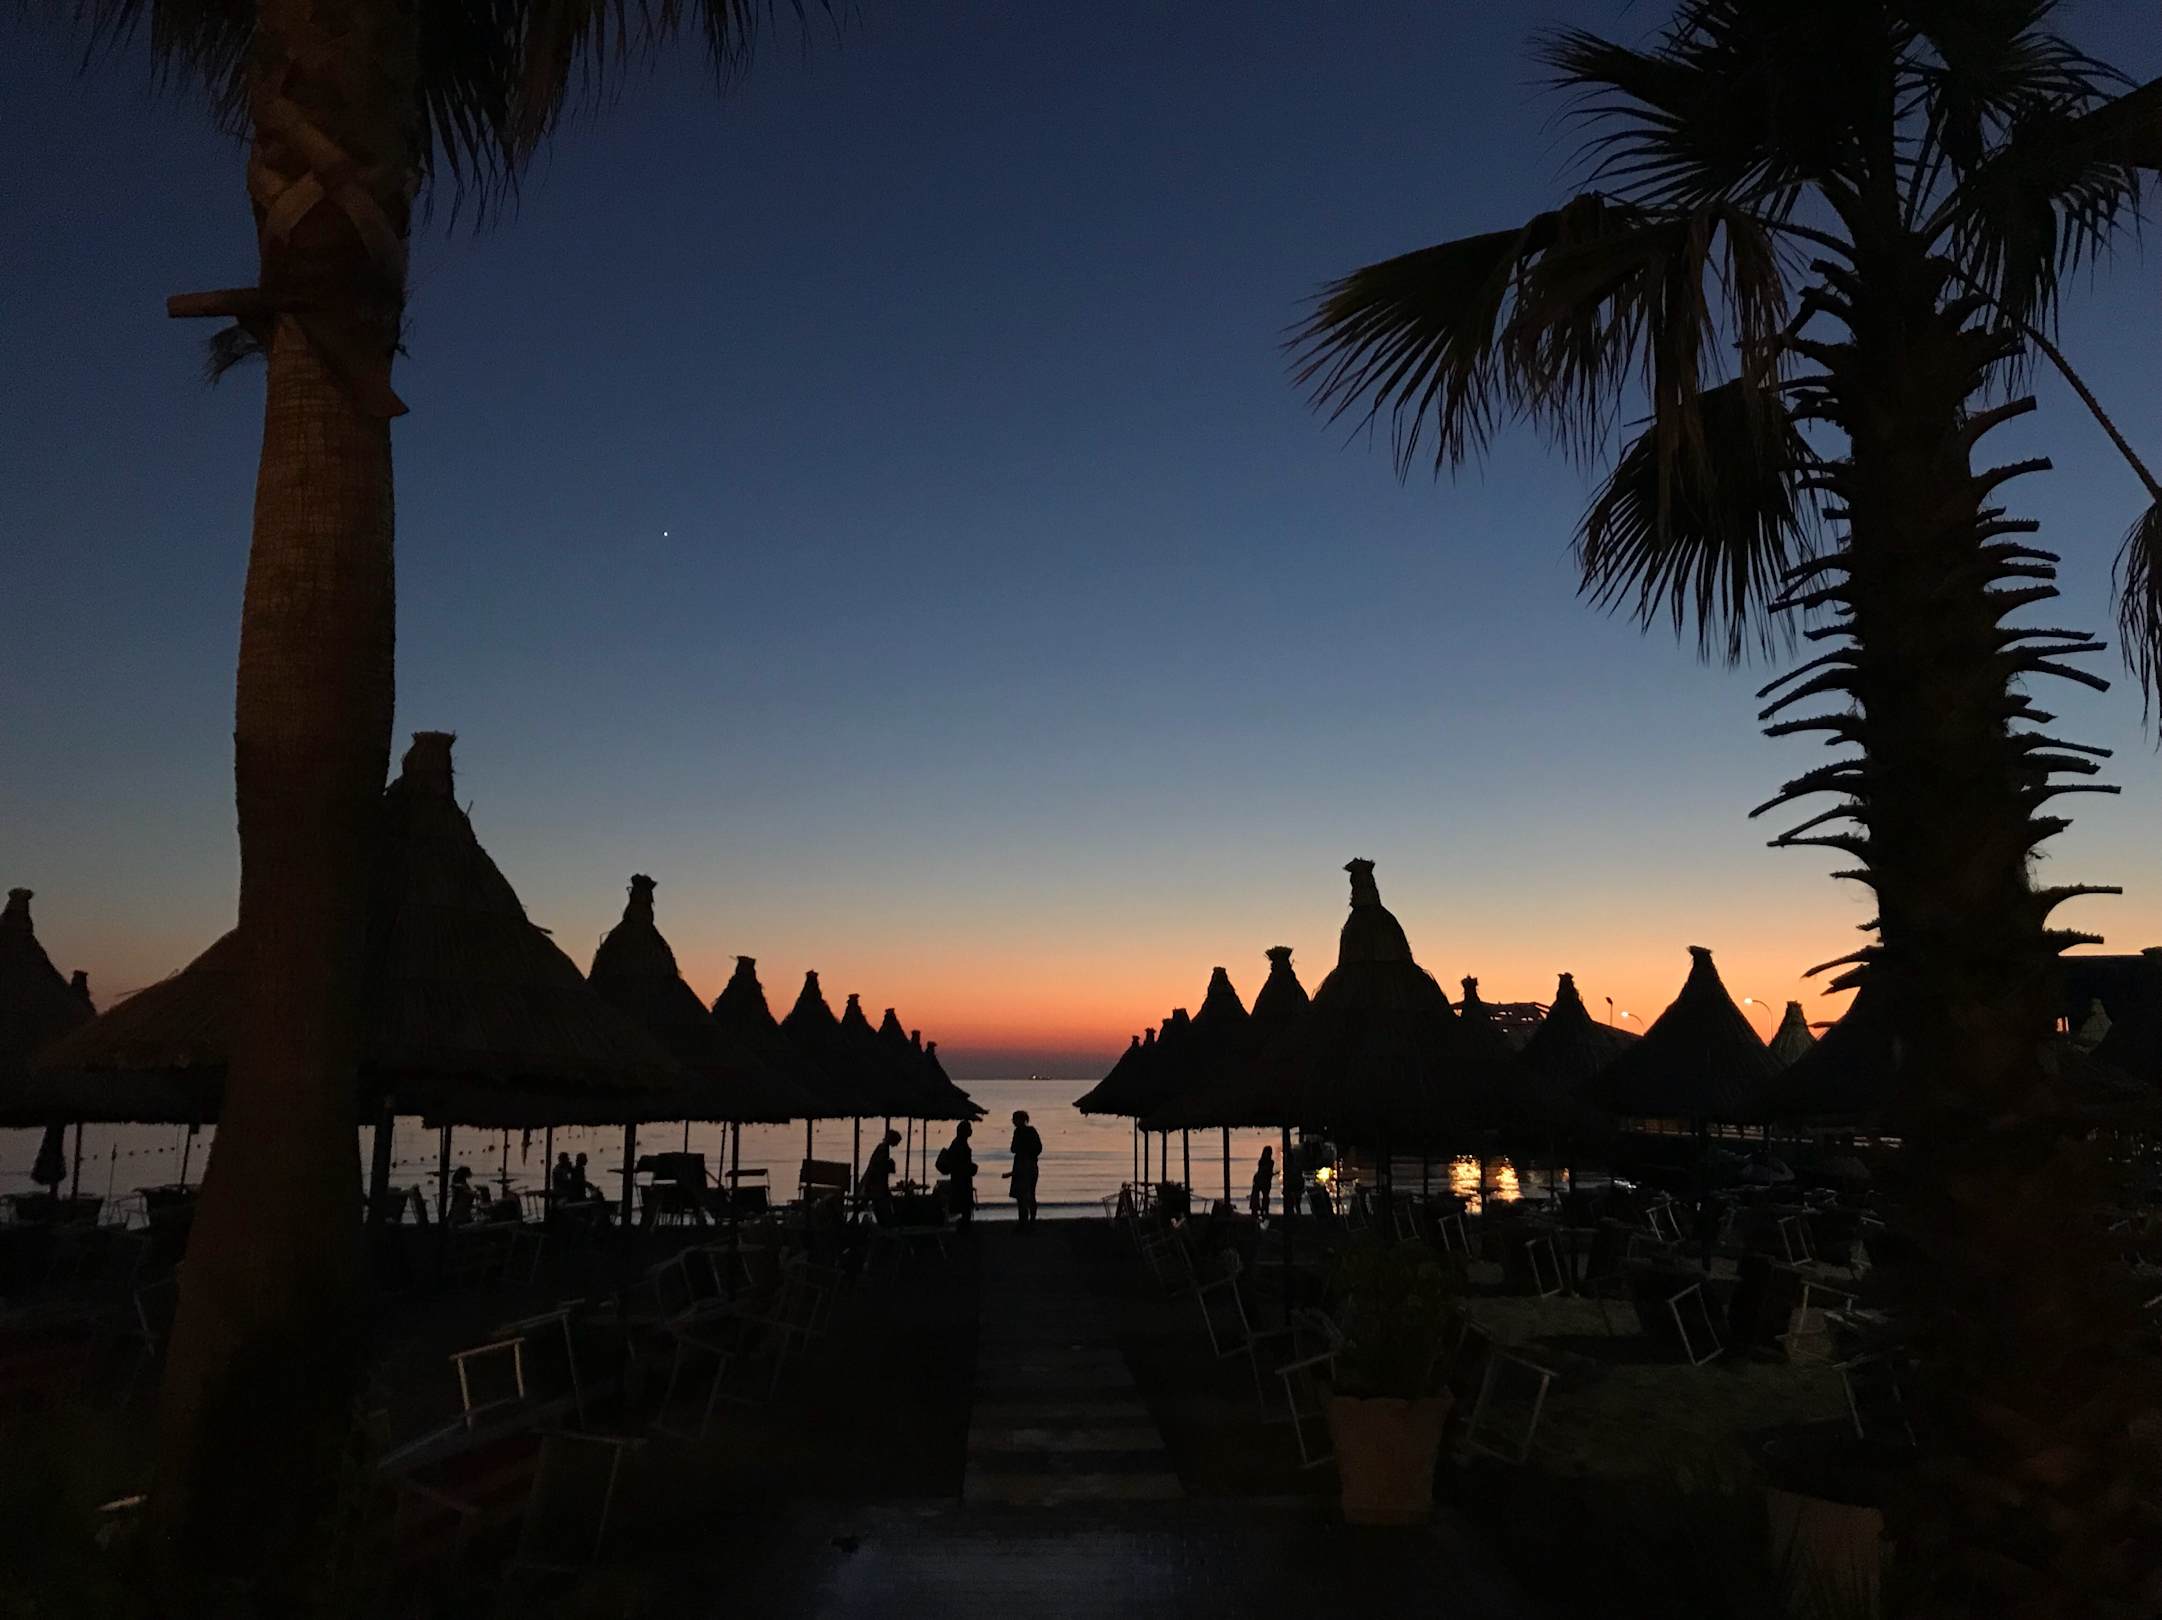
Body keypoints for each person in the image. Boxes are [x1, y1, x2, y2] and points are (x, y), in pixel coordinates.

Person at [1005, 1110, 1043, 1224]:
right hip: (1029, 1166)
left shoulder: (1021, 1132)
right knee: (1029, 1194)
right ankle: (1029, 1219)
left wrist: (1024, 1151)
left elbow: (1013, 1148)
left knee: (1023, 1195)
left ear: (1021, 1120)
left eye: (1014, 1119)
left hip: (1024, 1166)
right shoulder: (1028, 1131)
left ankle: (1025, 1219)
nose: (1013, 1121)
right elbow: (1038, 1148)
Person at [937, 1120, 977, 1226]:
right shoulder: (958, 1144)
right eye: (969, 1129)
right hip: (961, 1179)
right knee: (964, 1204)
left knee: (964, 1205)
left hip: (961, 1178)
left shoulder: (959, 1143)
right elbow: (958, 1163)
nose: (971, 1131)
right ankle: (964, 1225)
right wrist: (970, 1167)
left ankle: (965, 1224)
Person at [860, 1128, 901, 1226]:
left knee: (880, 1206)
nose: (896, 1145)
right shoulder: (883, 1149)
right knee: (881, 1207)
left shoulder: (882, 1148)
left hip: (874, 1184)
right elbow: (878, 1168)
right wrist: (889, 1164)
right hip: (875, 1186)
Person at [1250, 1145, 1276, 1219]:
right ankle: (1256, 1209)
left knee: (1265, 1196)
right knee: (1256, 1194)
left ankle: (1264, 1210)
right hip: (1259, 1180)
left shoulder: (1271, 1162)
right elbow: (1262, 1171)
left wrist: (1270, 1174)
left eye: (1269, 1152)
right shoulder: (1261, 1161)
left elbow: (1267, 1171)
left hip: (1266, 1181)